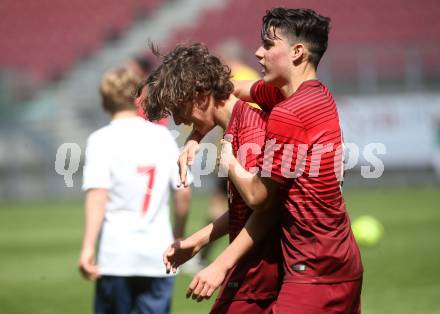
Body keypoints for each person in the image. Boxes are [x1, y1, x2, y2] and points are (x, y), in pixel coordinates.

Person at [181, 8, 364, 314]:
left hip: (314, 268)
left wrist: (228, 159)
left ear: (297, 52)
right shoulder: (310, 96)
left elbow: (259, 198)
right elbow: (233, 90)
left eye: (268, 45)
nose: (258, 52)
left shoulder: (288, 113)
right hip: (340, 257)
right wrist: (195, 135)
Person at [142, 43, 282, 313]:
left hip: (264, 274)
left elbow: (265, 209)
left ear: (199, 95)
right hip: (253, 271)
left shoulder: (250, 134)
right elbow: (247, 210)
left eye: (177, 109)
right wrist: (196, 241)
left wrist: (219, 265)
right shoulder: (236, 124)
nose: (179, 121)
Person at [78, 66, 191, 314]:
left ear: (105, 101)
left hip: (116, 255)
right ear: (137, 97)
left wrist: (87, 247)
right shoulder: (162, 137)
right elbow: (183, 190)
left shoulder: (100, 140)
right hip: (158, 254)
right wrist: (179, 236)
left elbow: (98, 195)